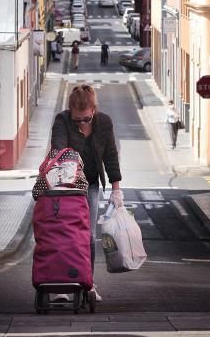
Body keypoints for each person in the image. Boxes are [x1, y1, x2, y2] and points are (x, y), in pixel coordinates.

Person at [51, 84, 123, 303]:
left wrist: (116, 189)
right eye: (77, 120)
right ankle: (62, 285)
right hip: (66, 188)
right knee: (66, 236)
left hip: (91, 185)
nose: (81, 123)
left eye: (86, 119)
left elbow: (110, 154)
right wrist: (68, 172)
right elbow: (59, 151)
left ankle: (88, 282)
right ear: (70, 111)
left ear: (94, 110)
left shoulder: (104, 123)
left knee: (88, 236)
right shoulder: (62, 121)